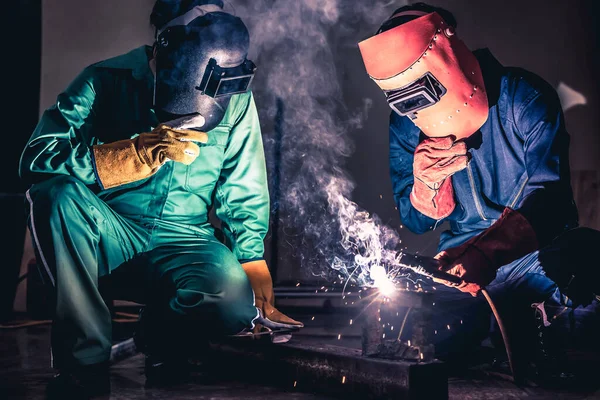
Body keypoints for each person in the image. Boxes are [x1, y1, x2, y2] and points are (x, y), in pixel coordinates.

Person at [20, 0, 302, 397]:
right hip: (108, 231)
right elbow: (36, 158)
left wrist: (251, 256)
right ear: (164, 43)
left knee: (231, 303)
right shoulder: (104, 80)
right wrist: (128, 155)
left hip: (185, 240)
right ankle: (85, 363)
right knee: (56, 194)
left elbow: (245, 182)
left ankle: (159, 336)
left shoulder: (235, 94)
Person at [359, 2, 599, 379]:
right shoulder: (406, 125)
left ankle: (539, 322)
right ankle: (495, 326)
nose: (418, 108)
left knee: (581, 271)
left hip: (533, 257)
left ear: (447, 46)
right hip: (460, 265)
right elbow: (416, 222)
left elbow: (551, 205)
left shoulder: (524, 97)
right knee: (429, 345)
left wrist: (486, 254)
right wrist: (426, 187)